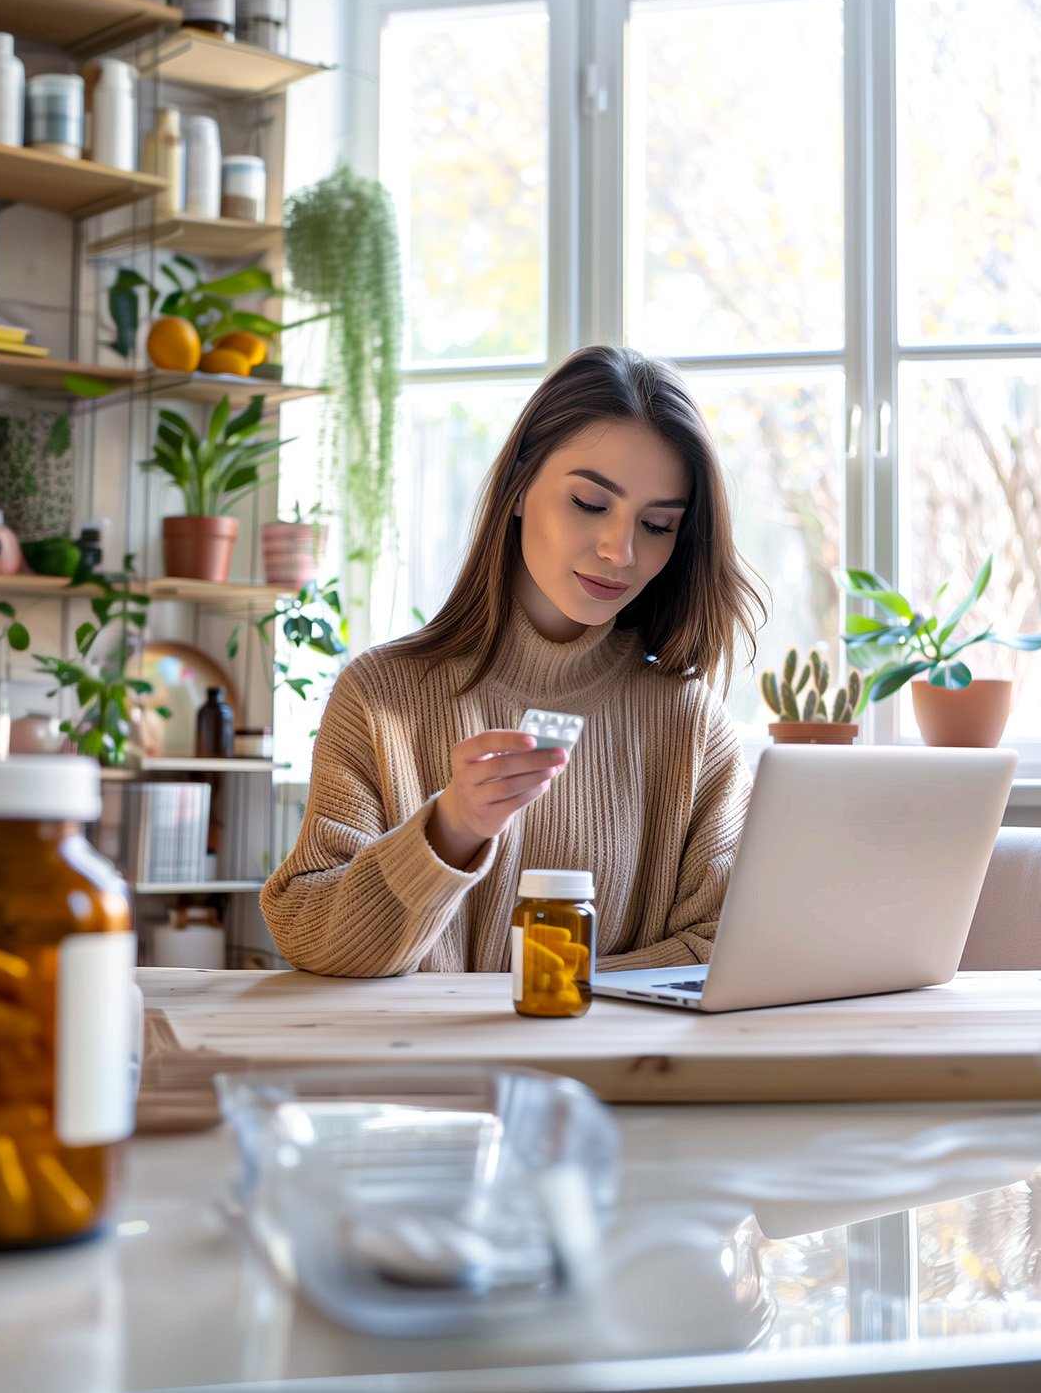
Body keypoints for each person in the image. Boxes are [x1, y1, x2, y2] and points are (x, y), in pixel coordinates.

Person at [260, 344, 765, 976]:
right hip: (421, 1075)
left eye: (658, 524)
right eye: (589, 503)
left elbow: (728, 946)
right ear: (520, 487)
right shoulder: (381, 697)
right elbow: (309, 937)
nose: (620, 550)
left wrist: (551, 987)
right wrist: (450, 828)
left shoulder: (690, 723)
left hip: (615, 1075)